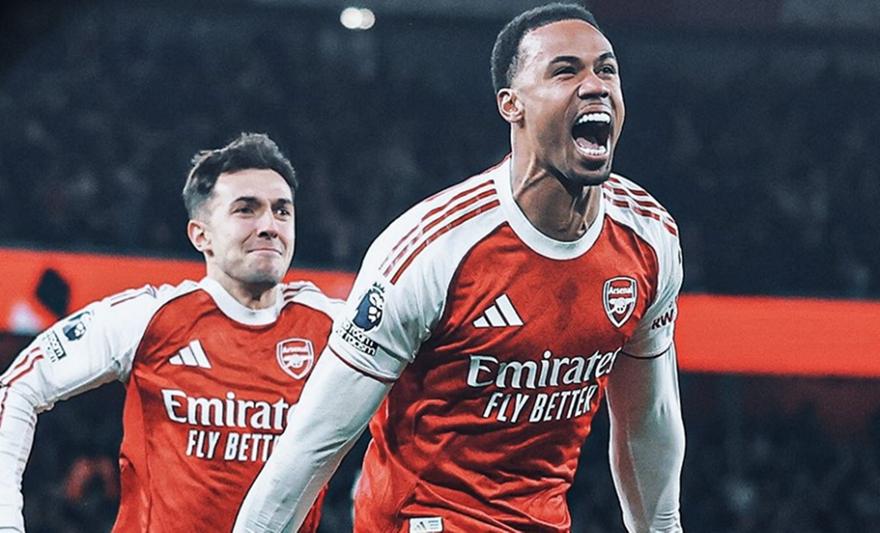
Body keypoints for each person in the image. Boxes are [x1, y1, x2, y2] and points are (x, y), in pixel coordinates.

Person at [235, 3, 685, 532]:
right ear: (511, 105)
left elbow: (647, 420)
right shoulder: (432, 249)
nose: (595, 86)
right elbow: (312, 445)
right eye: (566, 71)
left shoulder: (649, 238)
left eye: (607, 70)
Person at [0, 133, 339, 532]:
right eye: (246, 210)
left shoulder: (332, 328)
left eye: (282, 211)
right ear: (201, 235)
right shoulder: (148, 317)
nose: (269, 226)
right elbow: (18, 387)